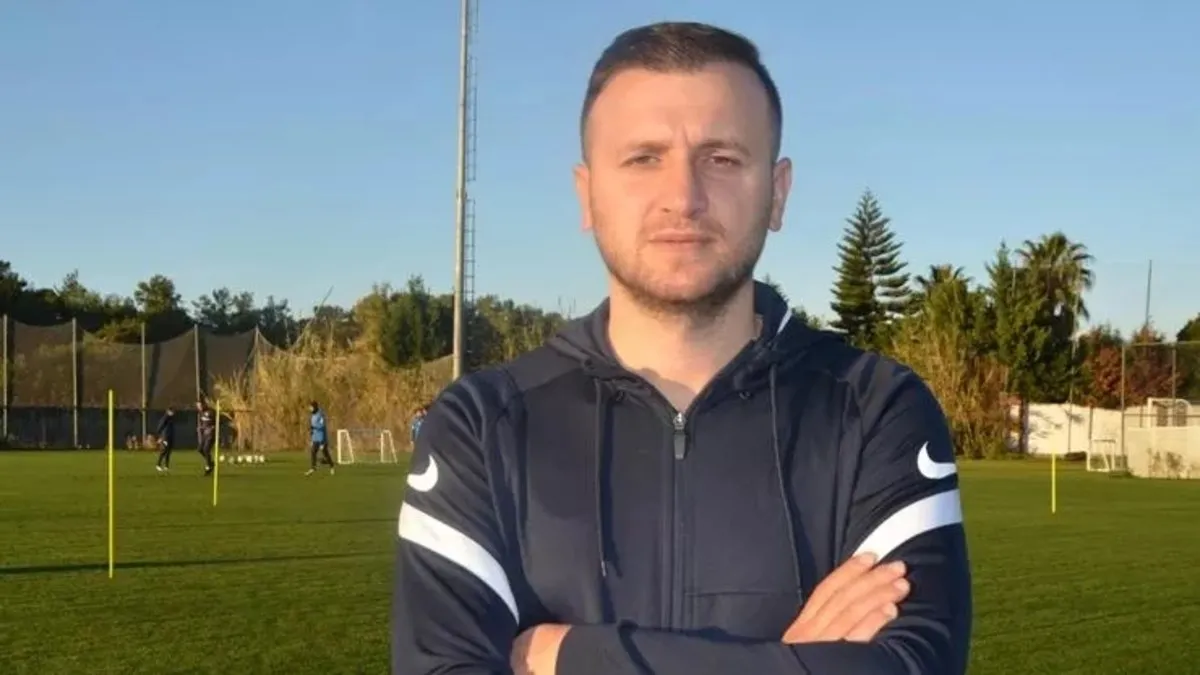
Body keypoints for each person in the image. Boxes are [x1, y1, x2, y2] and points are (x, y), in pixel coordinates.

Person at [392, 21, 971, 675]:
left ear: (777, 192)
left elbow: (912, 665)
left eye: (722, 159)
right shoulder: (480, 426)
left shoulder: (876, 410)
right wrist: (794, 659)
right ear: (587, 194)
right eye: (644, 158)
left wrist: (570, 654)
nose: (683, 197)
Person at [306, 400, 334, 475]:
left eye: (311, 407)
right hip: (315, 438)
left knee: (325, 453)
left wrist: (314, 427)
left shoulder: (320, 415)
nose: (310, 409)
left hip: (322, 438)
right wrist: (311, 434)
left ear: (314, 407)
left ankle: (331, 466)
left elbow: (322, 426)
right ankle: (313, 468)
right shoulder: (312, 415)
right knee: (313, 452)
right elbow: (312, 427)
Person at [196, 400, 216, 476]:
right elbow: (204, 423)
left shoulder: (211, 412)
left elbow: (219, 421)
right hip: (205, 434)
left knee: (206, 450)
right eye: (198, 406)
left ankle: (208, 467)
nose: (199, 407)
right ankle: (210, 463)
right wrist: (201, 427)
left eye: (200, 405)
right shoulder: (200, 413)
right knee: (200, 449)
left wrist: (213, 427)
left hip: (211, 434)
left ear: (204, 405)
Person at [154, 407, 176, 472]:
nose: (173, 413)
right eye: (172, 411)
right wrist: (160, 437)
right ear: (168, 411)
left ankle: (166, 466)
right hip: (165, 437)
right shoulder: (165, 418)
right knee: (164, 451)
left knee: (168, 452)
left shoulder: (171, 418)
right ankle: (158, 465)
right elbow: (160, 427)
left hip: (170, 436)